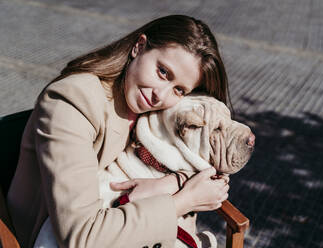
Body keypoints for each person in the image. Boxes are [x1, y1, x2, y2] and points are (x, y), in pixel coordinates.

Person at [7, 15, 255, 248]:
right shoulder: (72, 102)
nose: (161, 94)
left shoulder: (147, 104)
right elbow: (80, 236)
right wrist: (182, 202)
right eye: (163, 71)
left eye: (179, 89)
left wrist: (175, 181)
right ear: (139, 46)